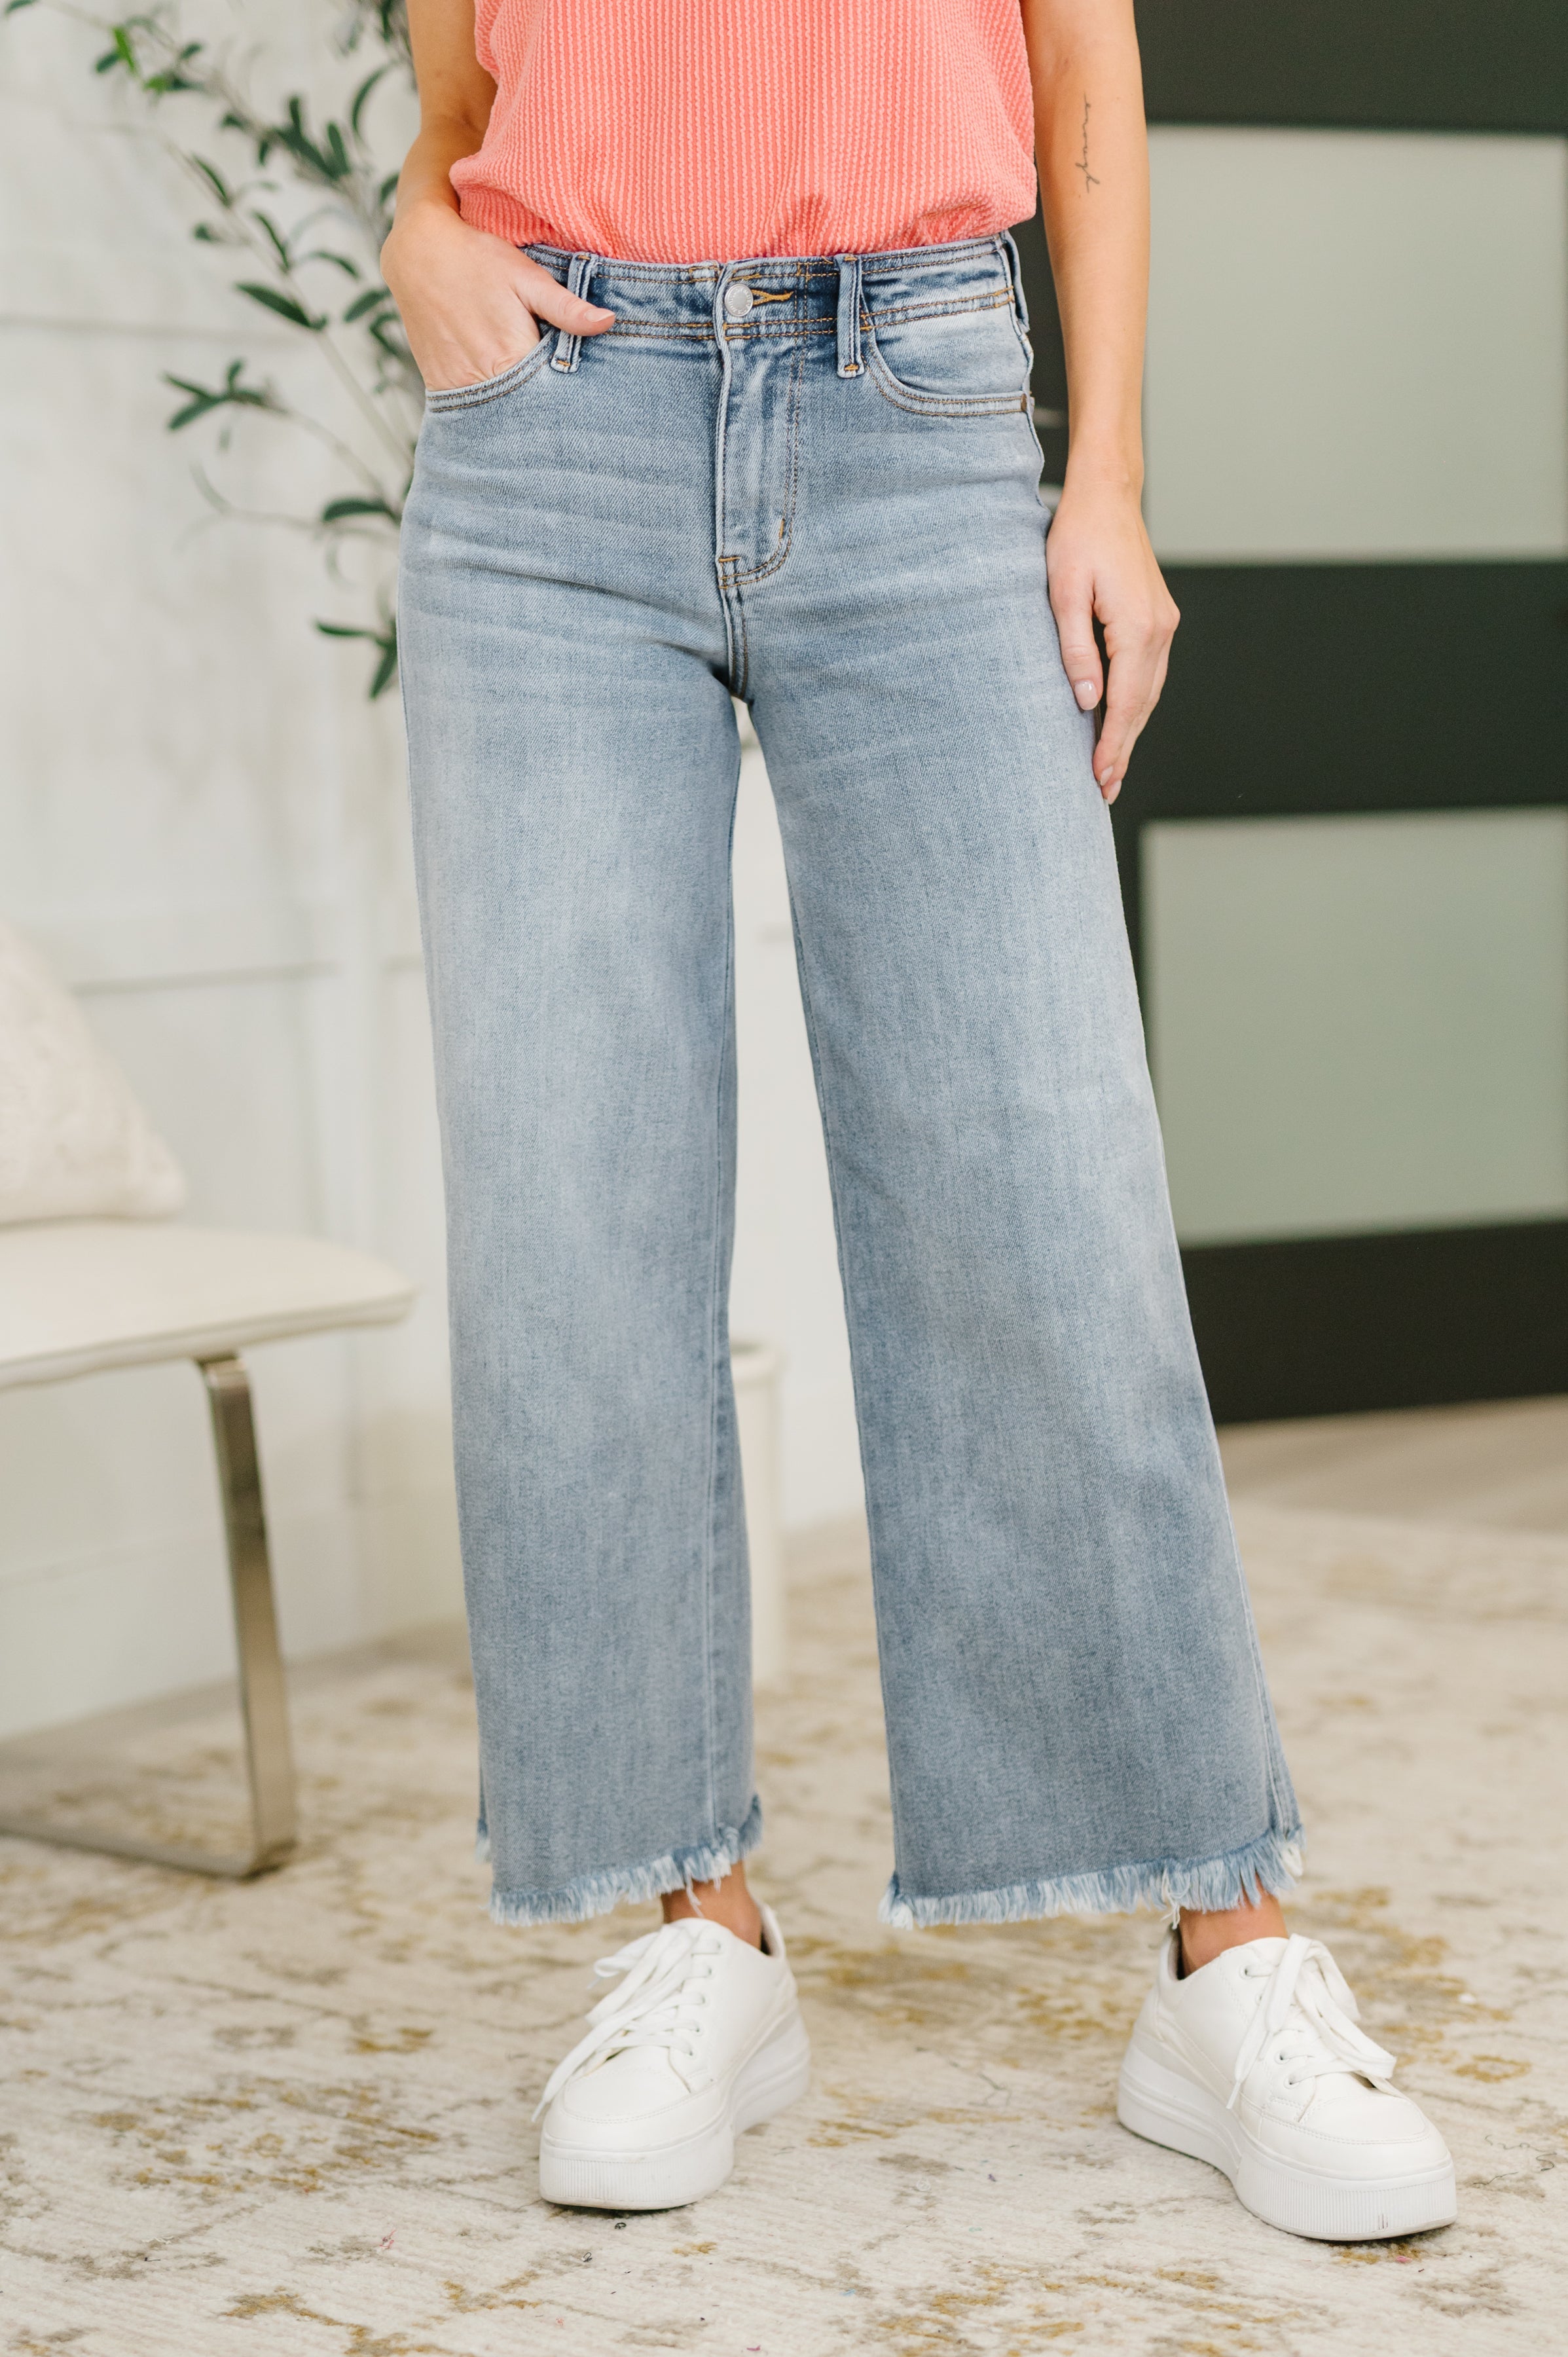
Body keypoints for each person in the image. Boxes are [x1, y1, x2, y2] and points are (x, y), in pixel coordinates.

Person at [384, 0, 1455, 2241]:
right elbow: (464, 88)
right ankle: (694, 1928)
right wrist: (417, 227)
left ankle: (1220, 1941)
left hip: (920, 400)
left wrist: (1106, 476)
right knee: (570, 1201)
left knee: (1038, 1188)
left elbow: (1081, 77)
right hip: (546, 438)